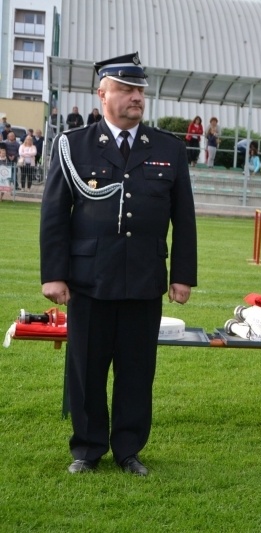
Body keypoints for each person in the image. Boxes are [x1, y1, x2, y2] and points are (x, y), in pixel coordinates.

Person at [39, 52, 197, 477]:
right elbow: (55, 214)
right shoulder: (74, 145)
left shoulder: (168, 148)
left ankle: (128, 449)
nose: (136, 97)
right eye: (126, 90)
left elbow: (183, 218)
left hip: (144, 278)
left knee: (136, 369)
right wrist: (53, 274)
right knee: (87, 369)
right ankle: (87, 449)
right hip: (89, 278)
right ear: (102, 94)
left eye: (140, 90)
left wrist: (182, 276)